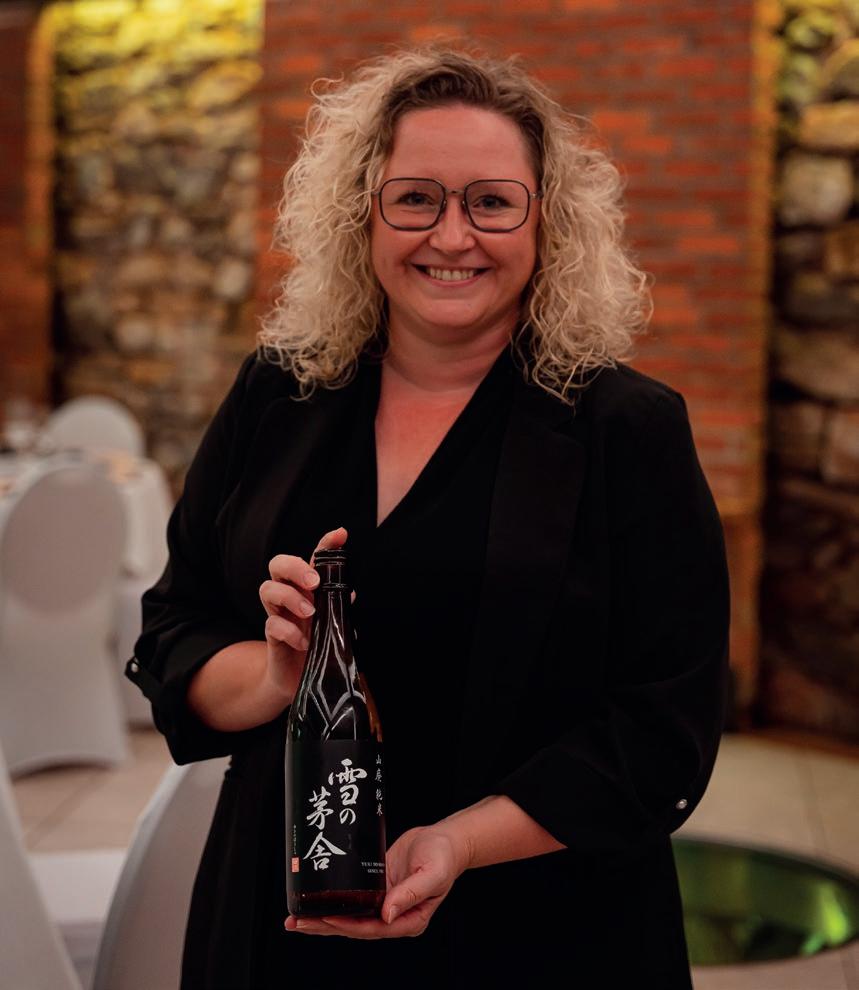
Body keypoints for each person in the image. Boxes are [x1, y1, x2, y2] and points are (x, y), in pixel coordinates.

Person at [128, 47, 729, 990]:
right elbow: (175, 627)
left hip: (540, 929)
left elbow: (664, 727)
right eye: (414, 199)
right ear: (361, 213)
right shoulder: (279, 394)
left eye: (491, 202)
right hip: (283, 920)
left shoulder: (626, 428)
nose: (452, 236)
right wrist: (274, 674)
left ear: (547, 222)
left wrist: (459, 842)